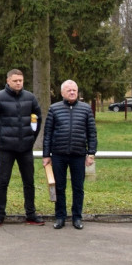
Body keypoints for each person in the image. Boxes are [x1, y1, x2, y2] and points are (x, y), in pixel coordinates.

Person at [0, 68, 44, 226]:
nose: (18, 83)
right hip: (6, 148)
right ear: (8, 81)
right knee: (3, 182)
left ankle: (31, 213)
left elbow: (38, 118)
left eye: (21, 81)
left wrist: (32, 137)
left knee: (29, 182)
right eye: (15, 80)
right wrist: (1, 131)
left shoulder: (30, 98)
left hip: (25, 148)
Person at [42, 79, 98, 231]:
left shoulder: (86, 109)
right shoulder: (54, 109)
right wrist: (46, 155)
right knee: (59, 187)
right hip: (58, 155)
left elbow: (92, 133)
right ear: (62, 93)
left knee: (78, 187)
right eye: (69, 90)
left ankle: (77, 217)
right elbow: (47, 134)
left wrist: (91, 153)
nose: (72, 92)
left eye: (74, 90)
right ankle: (60, 217)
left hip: (79, 155)